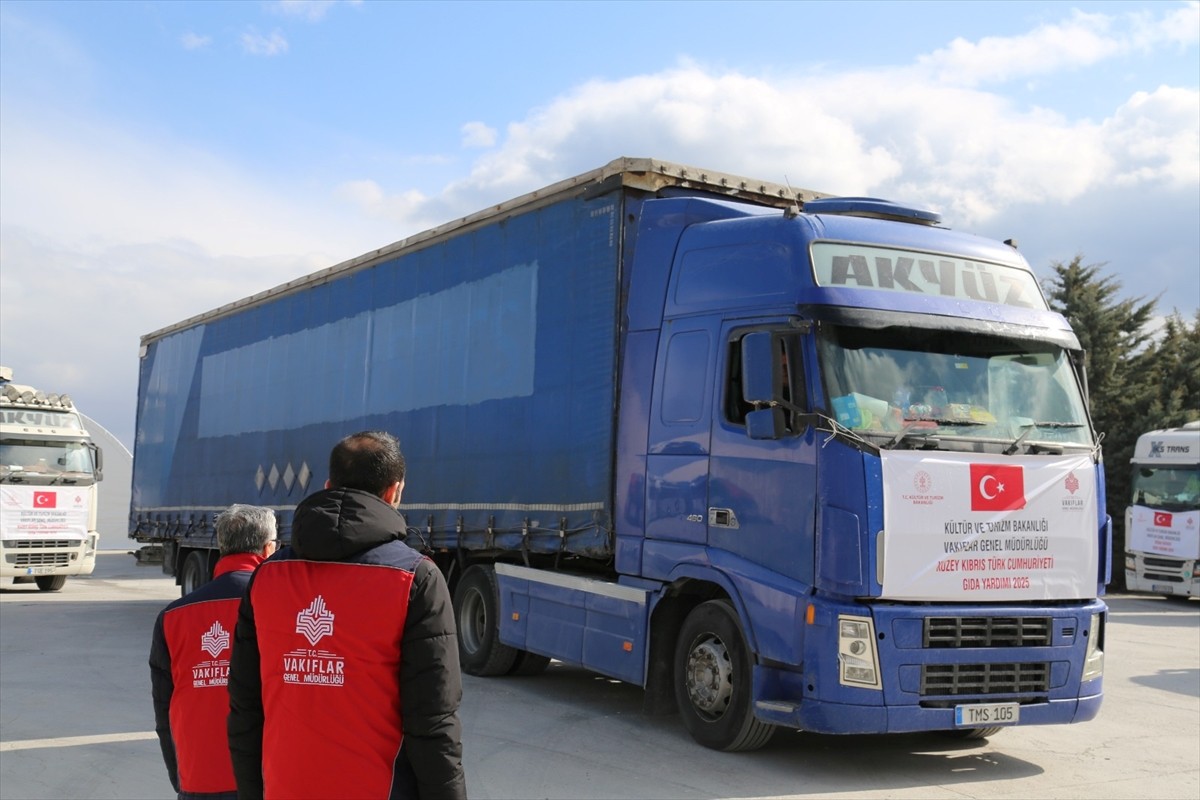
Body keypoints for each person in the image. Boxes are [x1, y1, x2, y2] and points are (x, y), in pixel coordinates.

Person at [227, 431, 466, 800]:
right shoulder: (414, 579)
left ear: (328, 485)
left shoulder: (267, 577)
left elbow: (245, 709)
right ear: (394, 492)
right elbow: (433, 722)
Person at [150, 504, 277, 800]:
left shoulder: (173, 617)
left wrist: (180, 775)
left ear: (221, 546)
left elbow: (164, 708)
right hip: (267, 776)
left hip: (198, 777)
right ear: (268, 548)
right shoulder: (278, 607)